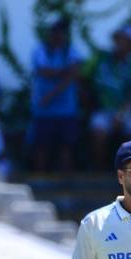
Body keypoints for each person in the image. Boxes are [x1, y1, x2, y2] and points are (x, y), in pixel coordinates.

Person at [85, 25, 131, 168]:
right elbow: (84, 79)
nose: (122, 44)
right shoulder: (101, 59)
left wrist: (121, 114)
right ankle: (99, 167)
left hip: (125, 111)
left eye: (126, 41)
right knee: (98, 131)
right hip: (102, 110)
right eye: (120, 40)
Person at [29, 18, 82, 172]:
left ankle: (66, 179)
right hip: (43, 108)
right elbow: (44, 71)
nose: (58, 36)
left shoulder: (70, 50)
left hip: (66, 109)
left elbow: (73, 74)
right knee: (41, 145)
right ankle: (39, 176)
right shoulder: (40, 50)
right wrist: (65, 72)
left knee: (67, 145)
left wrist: (51, 92)